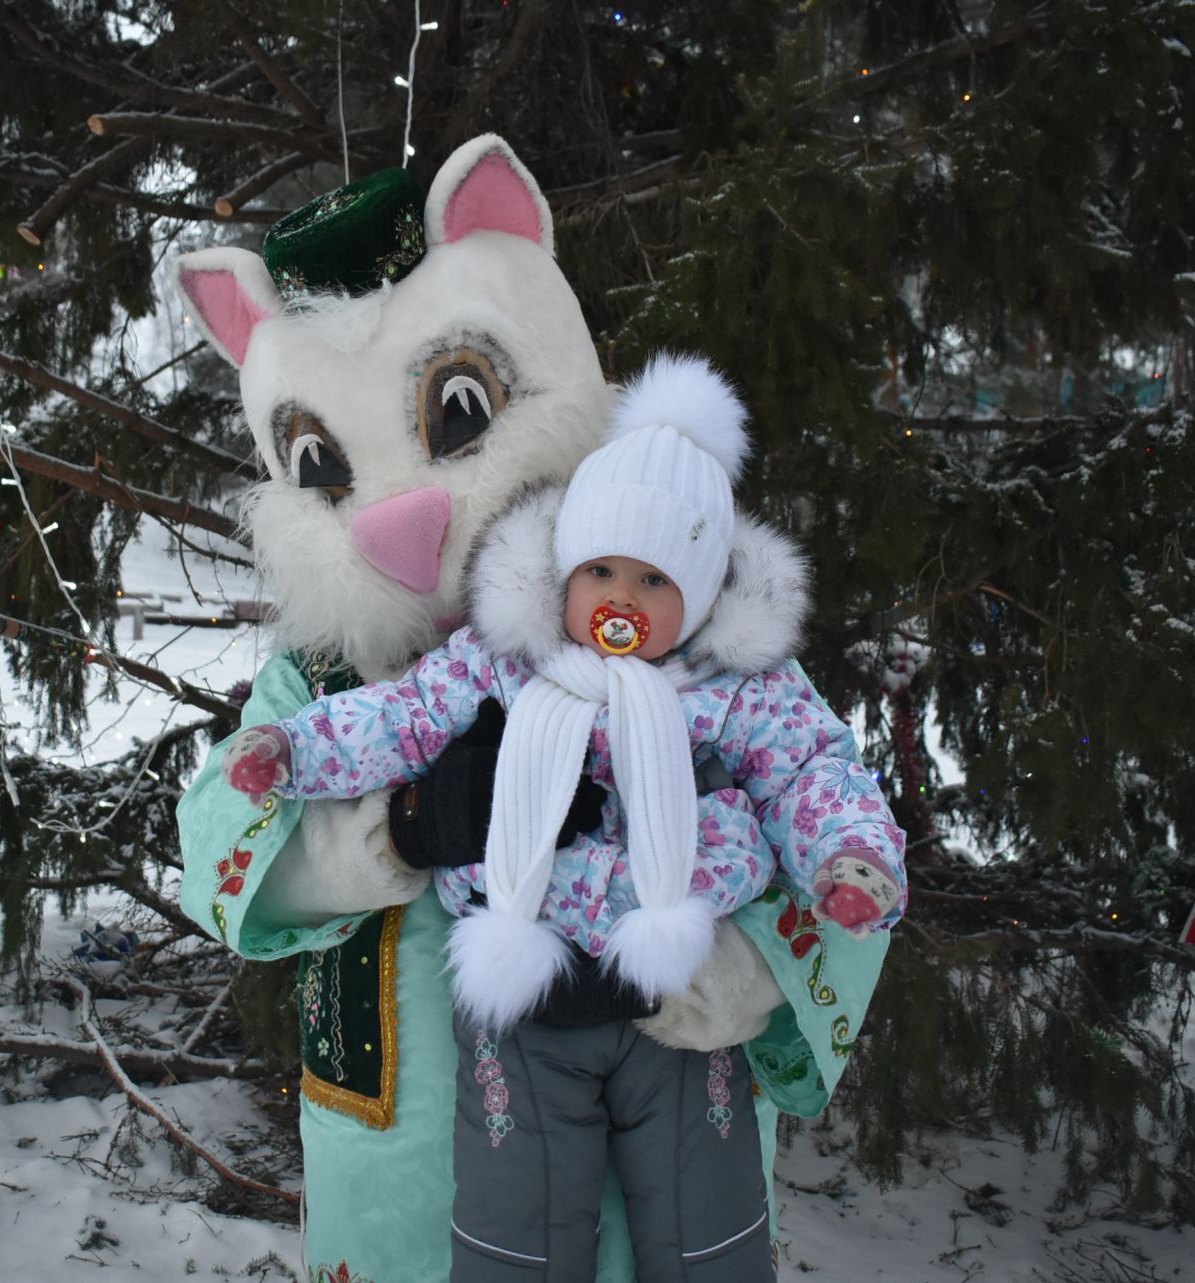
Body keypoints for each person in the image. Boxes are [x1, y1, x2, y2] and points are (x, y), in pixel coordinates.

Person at [175, 135, 894, 1282]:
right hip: (395, 1175)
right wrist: (397, 831)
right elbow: (213, 847)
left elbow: (831, 806)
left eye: (453, 414)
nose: (394, 517)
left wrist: (751, 965)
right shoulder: (333, 669)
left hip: (651, 1174)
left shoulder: (685, 623)